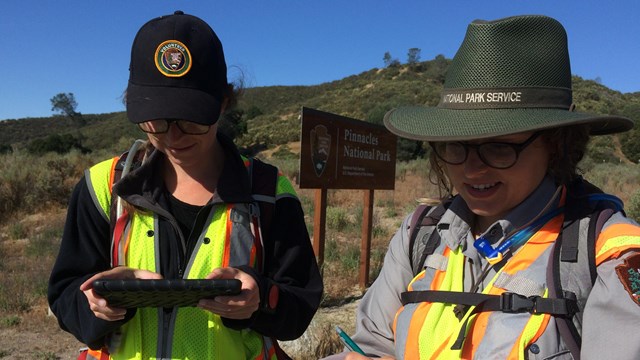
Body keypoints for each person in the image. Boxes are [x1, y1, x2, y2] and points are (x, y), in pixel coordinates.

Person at [324, 15, 640, 360]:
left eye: (500, 146)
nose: (471, 169)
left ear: (557, 145)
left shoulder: (607, 255)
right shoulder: (421, 233)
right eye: (455, 145)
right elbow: (372, 345)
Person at [48, 11, 323, 359]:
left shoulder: (268, 192)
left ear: (223, 103)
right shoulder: (103, 187)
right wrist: (100, 301)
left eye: (191, 119)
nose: (174, 136)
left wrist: (260, 299)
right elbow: (65, 296)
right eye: (157, 120)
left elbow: (299, 304)